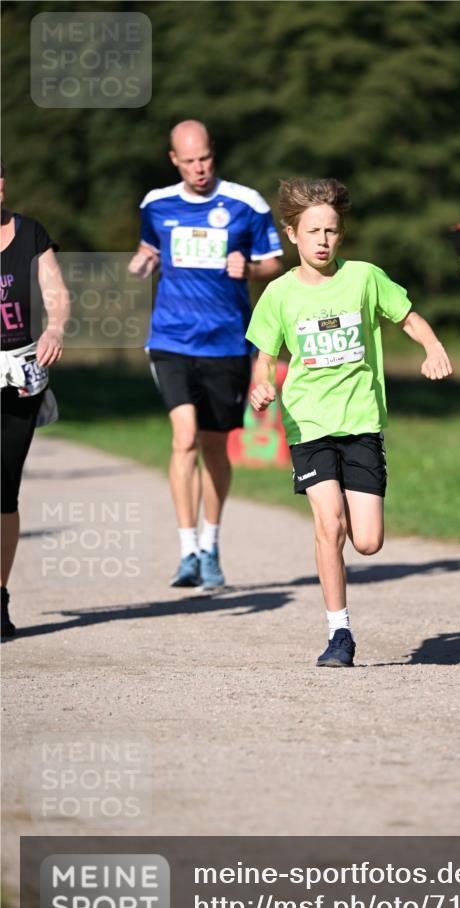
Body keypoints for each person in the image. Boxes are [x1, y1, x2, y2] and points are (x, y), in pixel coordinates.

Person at [246, 178, 453, 667]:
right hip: (308, 424)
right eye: (313, 231)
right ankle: (339, 633)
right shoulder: (278, 293)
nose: (323, 241)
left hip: (361, 421)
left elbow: (408, 318)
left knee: (368, 541)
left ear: (341, 234)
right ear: (292, 234)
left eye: (331, 231)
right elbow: (264, 358)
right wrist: (262, 385)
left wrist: (433, 346)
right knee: (329, 523)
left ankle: (342, 608)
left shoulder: (364, 278)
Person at [129, 120, 283, 590]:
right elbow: (149, 247)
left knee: (215, 445)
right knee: (184, 438)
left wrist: (250, 268)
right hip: (171, 339)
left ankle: (211, 545)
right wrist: (140, 263)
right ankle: (187, 551)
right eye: (189, 161)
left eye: (205, 158)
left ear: (213, 153)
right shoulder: (156, 204)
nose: (199, 168)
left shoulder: (246, 203)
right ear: (173, 160)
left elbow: (275, 262)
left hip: (228, 342)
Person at [1, 160, 69, 637]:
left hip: (21, 372)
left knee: (4, 490)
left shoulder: (30, 233)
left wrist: (55, 328)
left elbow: (55, 292)